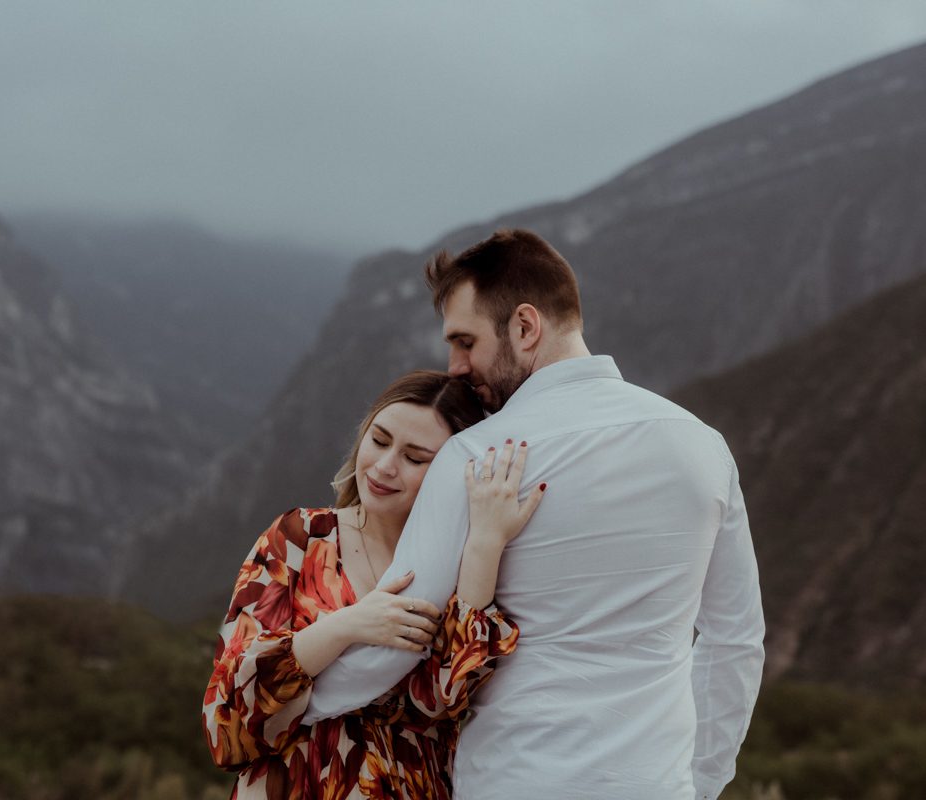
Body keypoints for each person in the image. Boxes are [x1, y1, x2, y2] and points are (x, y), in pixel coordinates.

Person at [304, 230, 765, 800]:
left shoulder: (476, 457)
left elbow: (400, 638)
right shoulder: (702, 446)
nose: (454, 366)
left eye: (465, 341)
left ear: (525, 327)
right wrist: (700, 781)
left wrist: (292, 699)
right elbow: (735, 639)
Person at [202, 370, 547, 798]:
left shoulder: (455, 565)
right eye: (380, 441)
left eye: (415, 458)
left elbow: (445, 698)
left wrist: (485, 543)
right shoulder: (300, 537)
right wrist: (347, 625)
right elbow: (231, 710)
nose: (384, 468)